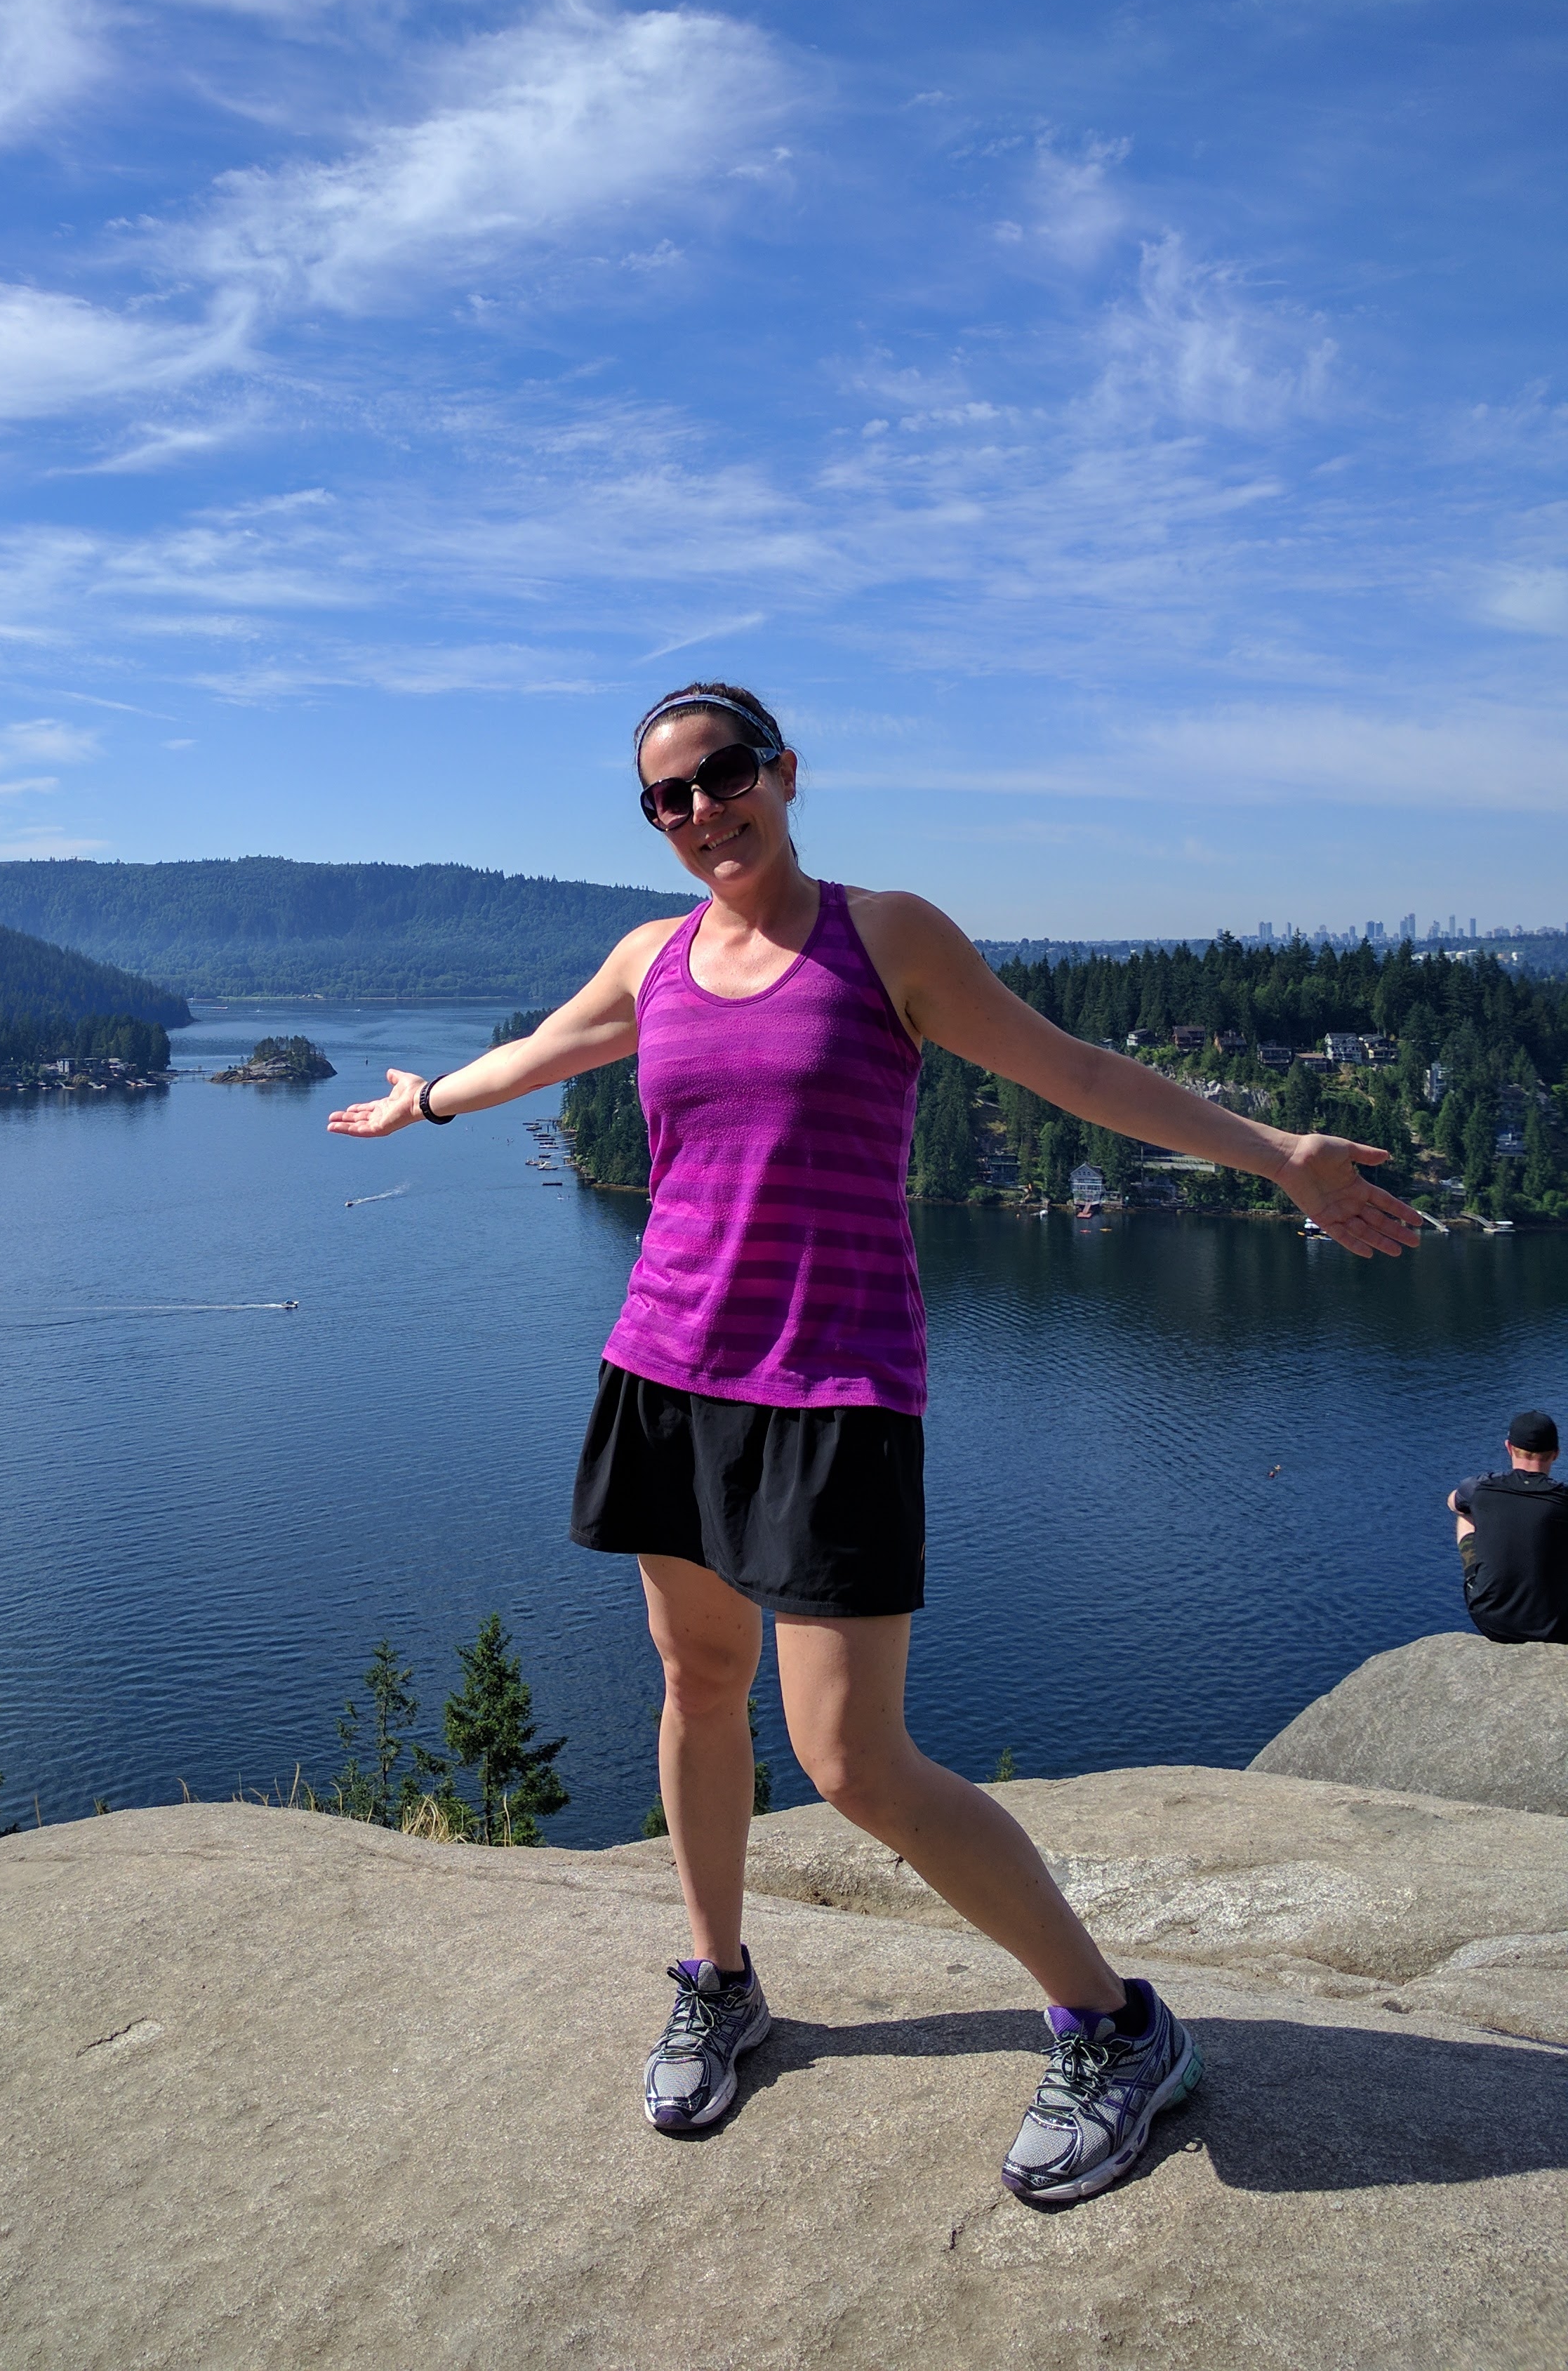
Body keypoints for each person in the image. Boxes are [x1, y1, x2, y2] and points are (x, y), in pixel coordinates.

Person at [328, 680, 1421, 2206]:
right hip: (664, 1370)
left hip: (835, 1388)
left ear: (784, 772)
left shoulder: (886, 937)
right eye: (666, 798)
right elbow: (548, 1051)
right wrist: (427, 1100)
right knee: (696, 1685)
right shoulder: (652, 958)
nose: (701, 812)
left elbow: (1075, 1073)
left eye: (723, 775)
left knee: (851, 1760)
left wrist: (1278, 1153)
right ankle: (720, 1979)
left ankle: (1119, 2027)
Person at [1448, 1410, 1568, 1645]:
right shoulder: (1563, 1498)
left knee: (1466, 1516)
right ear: (1556, 1454)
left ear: (1509, 1448)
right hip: (1555, 1627)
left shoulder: (1480, 1487)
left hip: (1491, 1619)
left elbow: (1453, 1502)